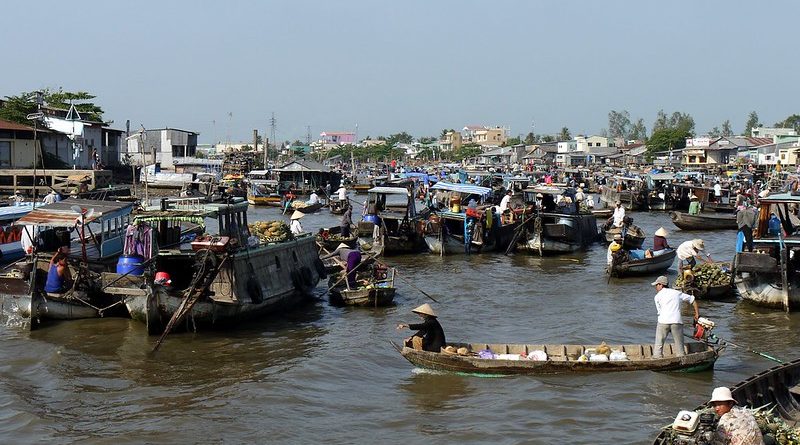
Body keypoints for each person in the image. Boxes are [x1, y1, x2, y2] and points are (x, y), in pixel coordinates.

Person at [651, 275, 699, 358]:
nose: (656, 287)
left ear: (661, 285)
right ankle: (681, 357)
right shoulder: (677, 293)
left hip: (663, 321)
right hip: (676, 322)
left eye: (656, 285)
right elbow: (693, 300)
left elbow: (659, 312)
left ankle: (657, 357)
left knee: (659, 343)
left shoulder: (657, 297)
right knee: (679, 345)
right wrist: (697, 314)